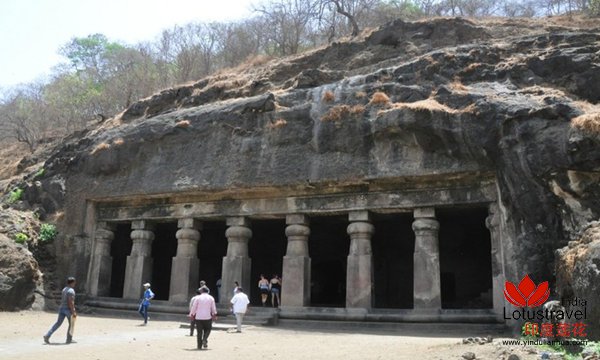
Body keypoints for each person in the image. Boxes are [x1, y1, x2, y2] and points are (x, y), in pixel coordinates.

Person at [44, 277, 77, 344]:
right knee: (71, 324)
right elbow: (71, 302)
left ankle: (47, 335)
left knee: (58, 323)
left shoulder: (64, 289)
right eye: (74, 283)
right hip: (68, 309)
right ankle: (69, 339)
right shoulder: (71, 291)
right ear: (72, 283)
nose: (75, 284)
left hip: (61, 308)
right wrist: (73, 311)